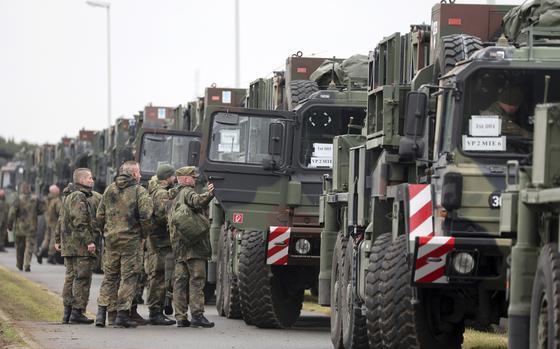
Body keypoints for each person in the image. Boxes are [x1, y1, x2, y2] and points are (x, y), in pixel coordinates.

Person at [95, 161, 153, 328]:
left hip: (111, 241)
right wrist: (144, 234)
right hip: (131, 241)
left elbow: (100, 215)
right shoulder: (139, 191)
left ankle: (101, 313)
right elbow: (146, 216)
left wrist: (105, 232)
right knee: (128, 278)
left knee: (109, 277)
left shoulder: (109, 189)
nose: (141, 175)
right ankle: (122, 314)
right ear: (133, 174)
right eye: (139, 172)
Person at [171, 166, 215, 328]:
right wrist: (209, 194)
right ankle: (197, 315)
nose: (195, 180)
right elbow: (197, 201)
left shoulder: (175, 194)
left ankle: (181, 317)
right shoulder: (187, 192)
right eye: (193, 177)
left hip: (180, 245)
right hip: (193, 247)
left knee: (180, 282)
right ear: (186, 179)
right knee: (196, 280)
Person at [55, 169, 98, 324]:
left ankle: (67, 312)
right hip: (79, 246)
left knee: (70, 277)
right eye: (89, 178)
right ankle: (77, 312)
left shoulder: (67, 196)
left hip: (69, 245)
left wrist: (57, 239)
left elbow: (60, 220)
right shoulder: (79, 196)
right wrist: (89, 241)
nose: (92, 180)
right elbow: (79, 221)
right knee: (81, 278)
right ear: (81, 180)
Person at [146, 164, 177, 326]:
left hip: (157, 240)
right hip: (159, 241)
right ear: (167, 177)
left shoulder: (155, 190)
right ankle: (155, 313)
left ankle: (156, 310)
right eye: (173, 175)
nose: (175, 178)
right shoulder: (161, 194)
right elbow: (164, 216)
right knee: (158, 276)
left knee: (158, 276)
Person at [8, 183, 45, 272]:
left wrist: (10, 224)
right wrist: (34, 214)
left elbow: (12, 213)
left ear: (22, 189)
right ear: (29, 189)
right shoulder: (35, 199)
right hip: (32, 226)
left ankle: (19, 264)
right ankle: (27, 264)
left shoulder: (18, 199)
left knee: (19, 247)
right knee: (29, 247)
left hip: (19, 227)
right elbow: (42, 210)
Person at [39, 184, 62, 264]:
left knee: (47, 238)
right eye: (58, 190)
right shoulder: (56, 200)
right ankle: (50, 256)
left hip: (48, 221)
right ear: (55, 192)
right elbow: (60, 212)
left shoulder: (46, 199)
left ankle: (41, 251)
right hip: (54, 222)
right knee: (53, 239)